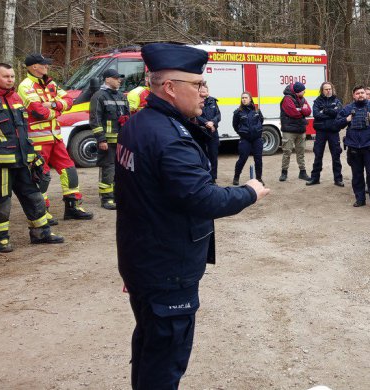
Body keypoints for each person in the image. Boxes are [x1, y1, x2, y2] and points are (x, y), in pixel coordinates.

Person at [115, 43, 269, 389]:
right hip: (167, 269)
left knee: (150, 346)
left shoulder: (139, 124)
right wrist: (249, 192)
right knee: (165, 360)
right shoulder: (170, 138)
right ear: (169, 87)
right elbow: (202, 198)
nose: (205, 91)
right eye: (197, 84)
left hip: (143, 260)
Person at [0, 63, 64, 252]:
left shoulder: (16, 97)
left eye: (12, 77)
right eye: (6, 76)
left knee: (34, 197)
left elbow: (23, 132)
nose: (10, 80)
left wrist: (33, 155)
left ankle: (41, 233)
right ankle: (0, 239)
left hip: (22, 162)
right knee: (0, 202)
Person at [18, 53, 93, 222]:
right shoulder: (26, 86)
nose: (47, 67)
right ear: (34, 67)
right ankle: (41, 211)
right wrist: (58, 110)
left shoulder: (50, 82)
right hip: (38, 140)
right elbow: (38, 112)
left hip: (55, 137)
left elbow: (69, 100)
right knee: (41, 175)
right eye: (43, 64)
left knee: (69, 169)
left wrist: (53, 105)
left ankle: (73, 207)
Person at [335, 85, 370, 208]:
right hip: (354, 148)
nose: (360, 95)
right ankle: (360, 199)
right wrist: (347, 120)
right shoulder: (348, 109)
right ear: (353, 95)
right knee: (357, 175)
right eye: (358, 93)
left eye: (362, 93)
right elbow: (336, 124)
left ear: (366, 94)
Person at [89, 68, 130, 210]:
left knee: (122, 169)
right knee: (108, 169)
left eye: (120, 78)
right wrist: (101, 140)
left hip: (122, 140)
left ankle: (118, 195)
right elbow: (95, 120)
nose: (119, 80)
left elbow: (128, 116)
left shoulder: (121, 96)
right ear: (107, 79)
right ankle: (107, 198)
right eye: (116, 77)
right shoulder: (99, 96)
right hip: (107, 142)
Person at [308, 82, 344, 186]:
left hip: (333, 131)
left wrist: (325, 111)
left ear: (332, 89)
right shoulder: (317, 101)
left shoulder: (337, 101)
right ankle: (315, 178)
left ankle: (338, 179)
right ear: (322, 90)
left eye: (330, 89)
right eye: (326, 89)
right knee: (318, 154)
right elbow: (316, 114)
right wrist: (330, 113)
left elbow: (338, 114)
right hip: (321, 132)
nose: (328, 91)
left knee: (336, 155)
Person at [279, 81, 311, 182]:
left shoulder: (302, 99)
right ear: (298, 92)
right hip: (289, 130)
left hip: (300, 129)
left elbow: (308, 111)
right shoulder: (287, 99)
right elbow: (293, 113)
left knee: (301, 152)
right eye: (303, 91)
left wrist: (300, 110)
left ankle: (302, 172)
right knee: (287, 151)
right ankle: (284, 173)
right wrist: (302, 111)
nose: (304, 92)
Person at [232, 92, 265, 185]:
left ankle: (259, 178)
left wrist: (257, 130)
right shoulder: (238, 112)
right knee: (242, 158)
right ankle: (236, 177)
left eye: (246, 97)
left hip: (257, 139)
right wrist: (242, 132)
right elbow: (235, 125)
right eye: (242, 98)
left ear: (250, 99)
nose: (244, 99)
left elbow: (261, 120)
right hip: (245, 139)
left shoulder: (257, 111)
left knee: (258, 159)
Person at [196, 86, 221, 180]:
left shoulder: (213, 101)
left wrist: (213, 122)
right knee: (202, 156)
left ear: (207, 91)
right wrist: (207, 123)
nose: (202, 92)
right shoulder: (196, 101)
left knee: (213, 156)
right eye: (201, 90)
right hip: (201, 132)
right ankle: (204, 178)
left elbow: (218, 115)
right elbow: (196, 115)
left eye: (204, 90)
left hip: (213, 133)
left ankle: (213, 179)